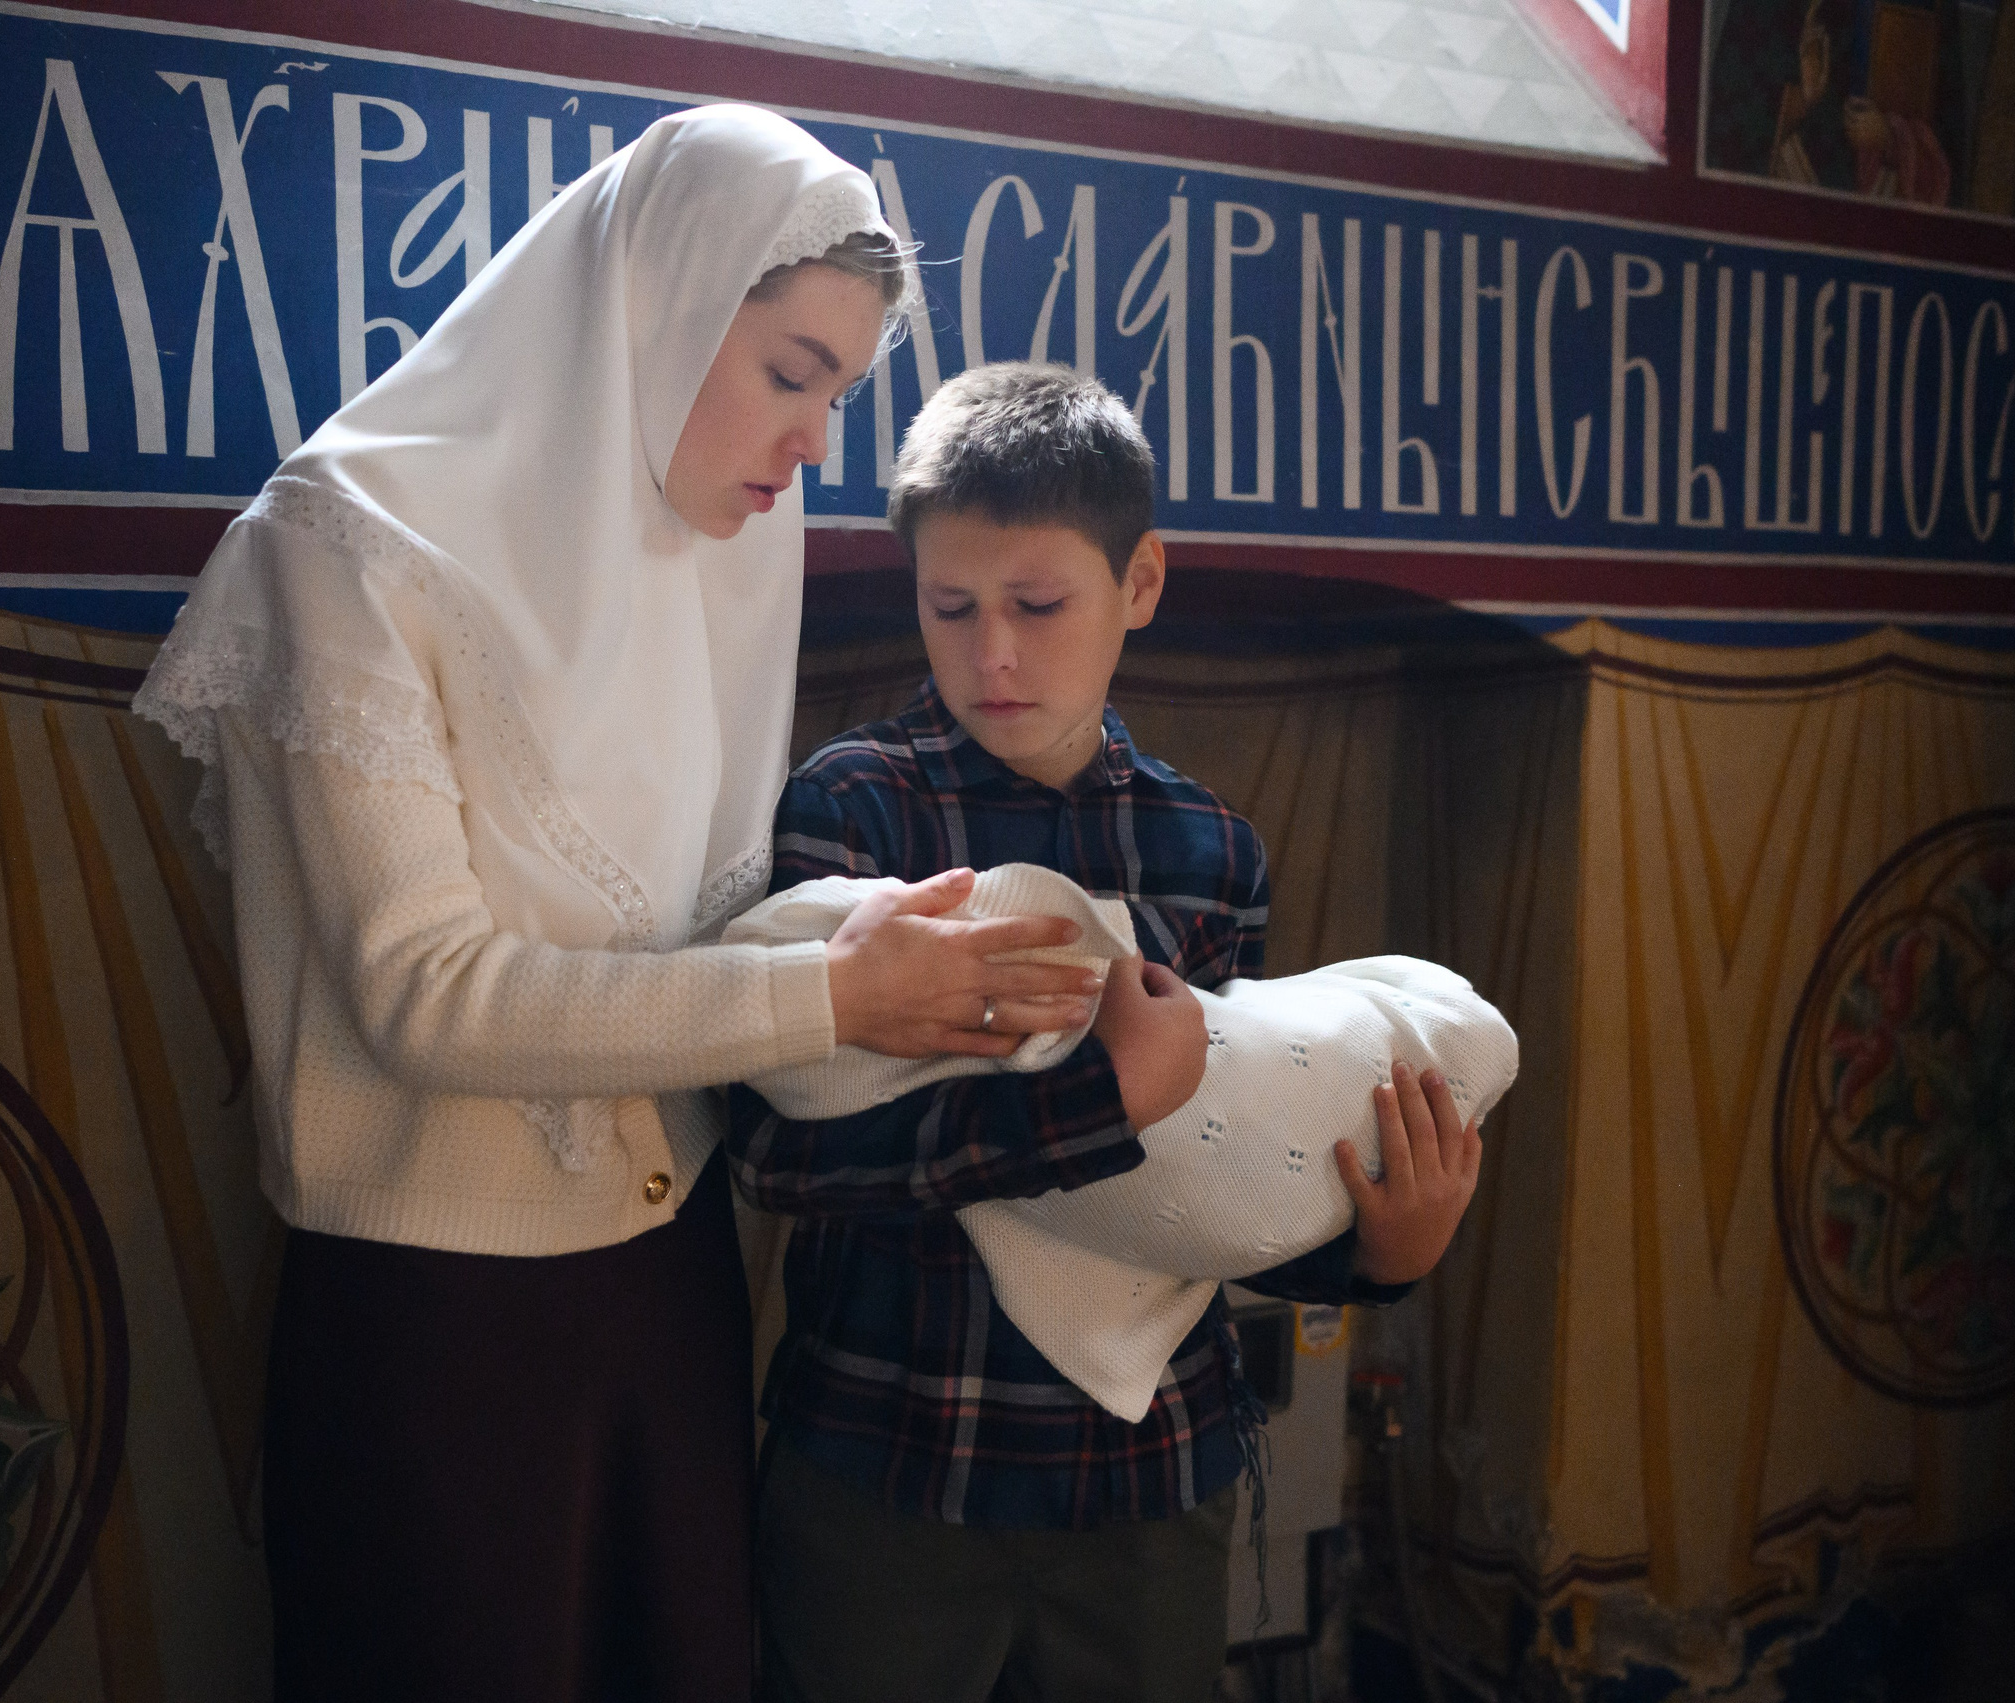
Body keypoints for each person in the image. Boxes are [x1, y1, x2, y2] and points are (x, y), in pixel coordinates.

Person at [132, 110, 1102, 1703]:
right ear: (654, 301)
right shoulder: (348, 545)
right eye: (791, 372)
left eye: (840, 397)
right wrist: (835, 993)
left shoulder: (704, 555)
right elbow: (423, 996)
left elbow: (689, 944)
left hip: (668, 1282)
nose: (813, 444)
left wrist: (892, 954)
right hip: (436, 1318)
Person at [731, 363, 1485, 1703]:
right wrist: (1090, 1101)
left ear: (1139, 583)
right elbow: (779, 1160)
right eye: (950, 607)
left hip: (1148, 1481)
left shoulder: (1209, 848)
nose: (993, 653)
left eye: (1037, 604)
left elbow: (1217, 1178)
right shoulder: (854, 816)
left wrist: (1379, 1258)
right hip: (888, 1472)